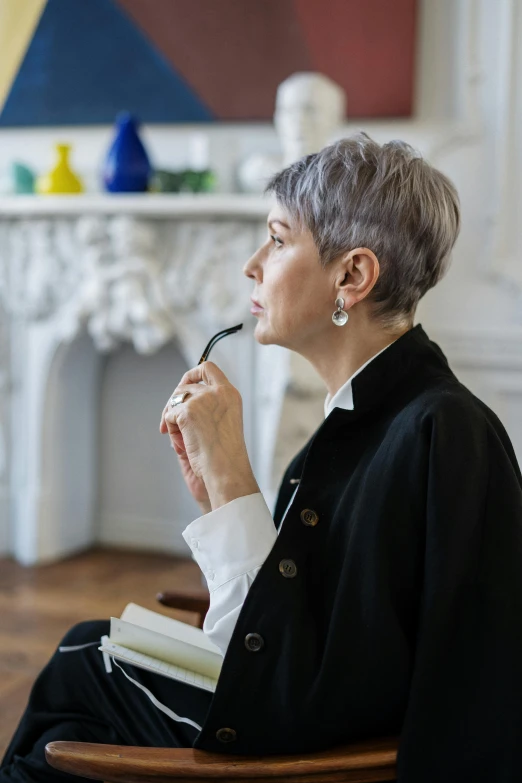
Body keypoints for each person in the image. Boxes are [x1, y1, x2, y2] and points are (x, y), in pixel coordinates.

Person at [3, 132, 522, 783]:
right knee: (86, 641)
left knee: (81, 673)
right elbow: (291, 627)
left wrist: (234, 476)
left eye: (277, 239)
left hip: (310, 753)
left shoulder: (441, 431)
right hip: (290, 708)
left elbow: (314, 680)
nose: (253, 263)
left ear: (353, 275)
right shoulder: (359, 427)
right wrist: (217, 492)